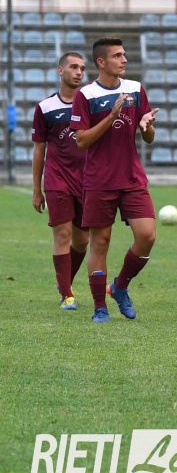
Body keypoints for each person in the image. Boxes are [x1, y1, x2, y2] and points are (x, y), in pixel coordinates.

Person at [71, 38, 159, 324]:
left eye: (124, 54)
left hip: (132, 177)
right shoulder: (86, 95)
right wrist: (111, 116)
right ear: (101, 62)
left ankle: (120, 286)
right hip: (99, 180)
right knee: (100, 241)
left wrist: (146, 127)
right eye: (117, 56)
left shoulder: (135, 89)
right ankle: (100, 307)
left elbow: (148, 136)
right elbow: (82, 140)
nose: (124, 60)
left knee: (147, 236)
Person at [31, 52, 88, 311]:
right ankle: (67, 295)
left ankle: (64, 282)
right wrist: (36, 189)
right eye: (73, 67)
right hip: (57, 179)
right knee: (63, 234)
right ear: (60, 70)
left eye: (82, 68)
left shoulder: (90, 103)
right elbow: (39, 149)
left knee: (82, 240)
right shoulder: (45, 108)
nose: (79, 72)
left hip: (87, 180)